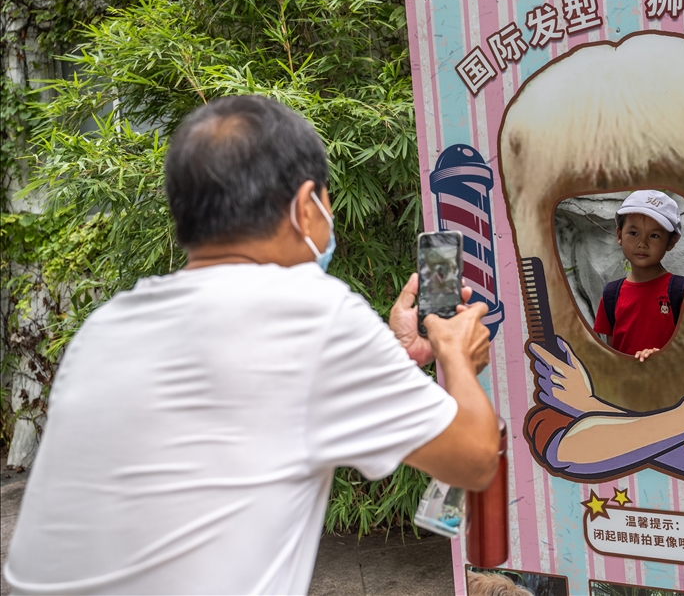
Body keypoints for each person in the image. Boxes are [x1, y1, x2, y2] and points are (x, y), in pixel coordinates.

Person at [2, 96, 499, 595]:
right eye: (327, 202)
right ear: (306, 207)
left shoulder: (106, 325)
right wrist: (455, 351)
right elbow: (474, 460)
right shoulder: (310, 311)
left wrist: (396, 357)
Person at [592, 190, 684, 361]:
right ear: (619, 234)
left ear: (671, 242)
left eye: (654, 235)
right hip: (624, 386)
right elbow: (613, 353)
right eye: (634, 233)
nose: (642, 244)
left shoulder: (681, 292)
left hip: (667, 384)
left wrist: (660, 357)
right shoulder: (611, 295)